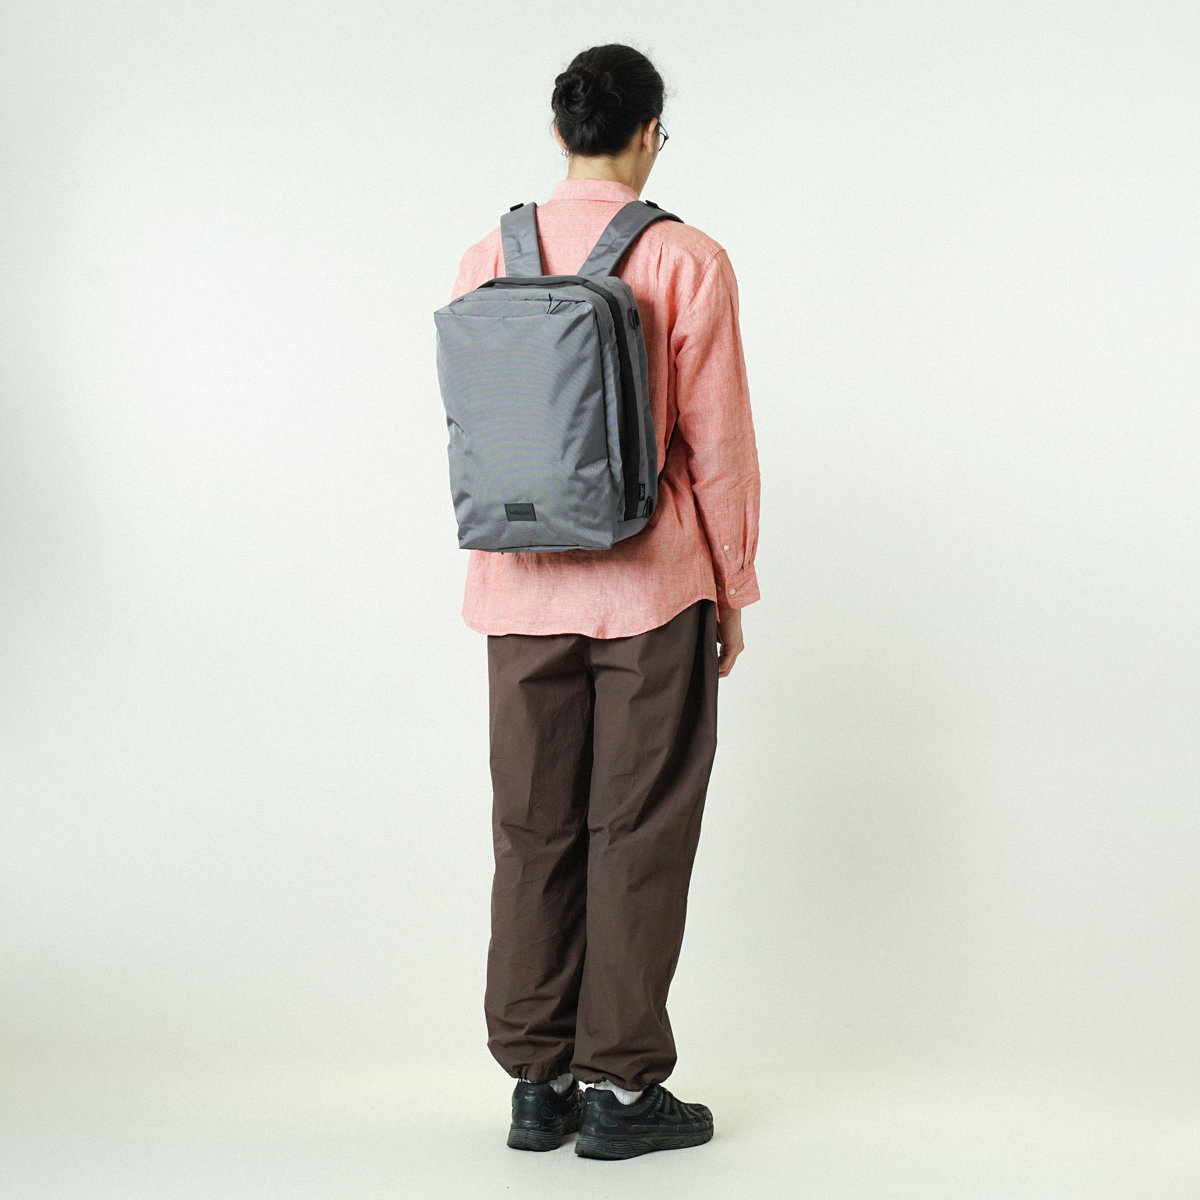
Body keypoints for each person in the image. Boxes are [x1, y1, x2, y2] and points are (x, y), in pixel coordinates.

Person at [446, 42, 762, 1160]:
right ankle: (622, 1092)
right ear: (650, 134)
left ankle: (536, 1084)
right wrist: (732, 587)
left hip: (516, 584)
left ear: (561, 130)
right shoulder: (687, 258)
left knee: (532, 830)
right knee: (638, 829)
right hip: (650, 586)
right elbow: (719, 445)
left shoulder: (487, 255)